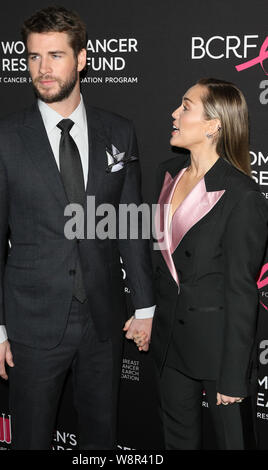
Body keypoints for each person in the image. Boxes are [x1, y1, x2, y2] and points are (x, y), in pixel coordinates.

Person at [0, 6, 155, 450]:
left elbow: (129, 221)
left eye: (55, 55)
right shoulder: (2, 139)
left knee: (101, 438)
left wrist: (146, 306)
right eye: (34, 57)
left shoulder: (119, 131)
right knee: (31, 439)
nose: (43, 69)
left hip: (102, 321)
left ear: (83, 58)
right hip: (31, 323)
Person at [130, 78, 268, 449]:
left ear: (213, 124)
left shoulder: (242, 195)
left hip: (219, 350)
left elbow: (242, 292)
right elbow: (163, 263)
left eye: (186, 106)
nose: (174, 113)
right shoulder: (168, 175)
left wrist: (234, 376)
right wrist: (147, 315)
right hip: (170, 345)